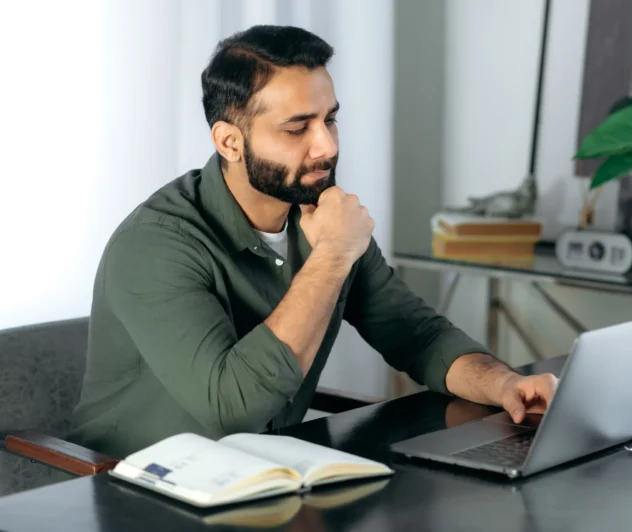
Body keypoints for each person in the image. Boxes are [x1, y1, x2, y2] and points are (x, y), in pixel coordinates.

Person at [68, 25, 557, 458]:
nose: (327, 146)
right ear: (229, 142)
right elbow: (232, 411)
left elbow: (417, 336)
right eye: (297, 127)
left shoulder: (323, 217)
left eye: (330, 119)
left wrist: (507, 384)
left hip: (265, 477)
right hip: (138, 492)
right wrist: (333, 256)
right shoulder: (156, 245)